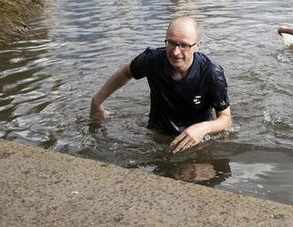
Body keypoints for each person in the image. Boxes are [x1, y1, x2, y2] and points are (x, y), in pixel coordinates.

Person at [90, 17, 231, 153]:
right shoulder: (152, 60)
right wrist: (96, 102)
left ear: (197, 45)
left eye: (184, 45)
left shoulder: (212, 72)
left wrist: (203, 128)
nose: (176, 52)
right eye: (171, 43)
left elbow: (226, 119)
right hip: (157, 133)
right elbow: (125, 72)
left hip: (196, 139)